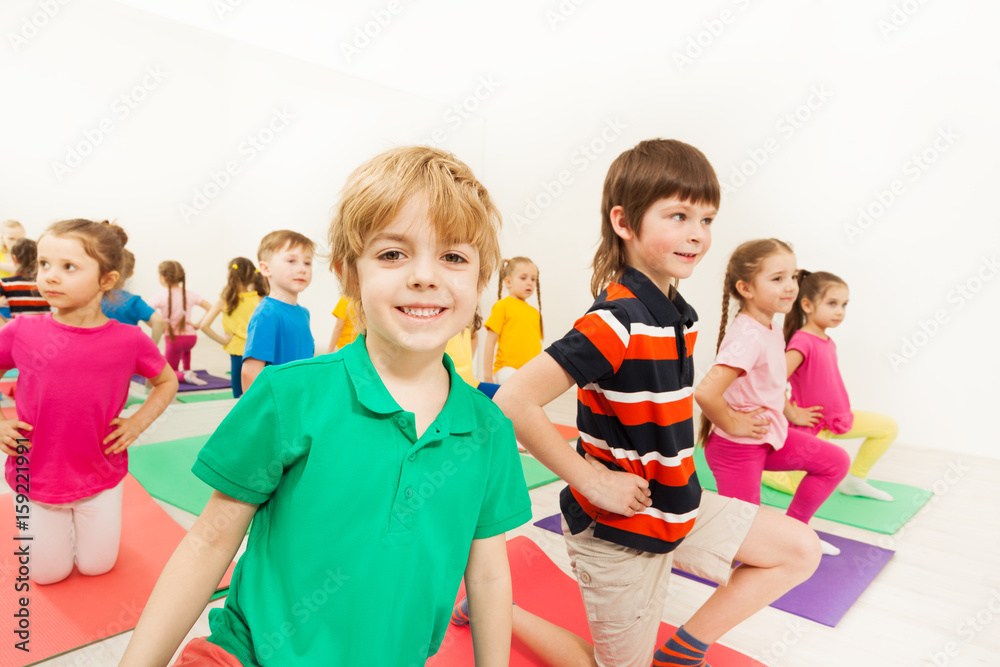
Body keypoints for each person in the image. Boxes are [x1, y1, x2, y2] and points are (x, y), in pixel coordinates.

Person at [121, 146, 531, 666]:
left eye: (453, 257)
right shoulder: (290, 395)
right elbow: (208, 542)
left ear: (479, 280)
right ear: (349, 274)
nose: (425, 276)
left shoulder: (488, 428)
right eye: (392, 253)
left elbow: (490, 573)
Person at [483, 140, 822, 667]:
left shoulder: (677, 316)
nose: (697, 234)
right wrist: (591, 480)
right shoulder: (615, 321)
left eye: (706, 219)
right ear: (624, 222)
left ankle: (683, 651)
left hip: (675, 507)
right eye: (679, 215)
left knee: (798, 550)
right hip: (617, 532)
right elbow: (512, 400)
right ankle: (493, 612)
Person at [0, 219, 176, 584]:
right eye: (44, 265)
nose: (49, 276)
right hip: (38, 475)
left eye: (68, 267)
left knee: (97, 567)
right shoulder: (22, 331)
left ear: (106, 280)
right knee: (47, 574)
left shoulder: (129, 340)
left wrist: (137, 422)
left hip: (100, 475)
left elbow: (166, 381)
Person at [696, 239, 850, 557]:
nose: (791, 286)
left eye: (793, 276)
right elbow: (706, 392)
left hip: (768, 437)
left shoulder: (770, 327)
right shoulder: (748, 336)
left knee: (834, 462)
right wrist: (732, 424)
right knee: (743, 538)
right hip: (737, 449)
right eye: (777, 278)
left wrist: (788, 413)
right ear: (746, 288)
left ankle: (796, 532)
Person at [761, 269, 898, 502]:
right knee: (799, 486)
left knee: (887, 428)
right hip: (813, 427)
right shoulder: (803, 341)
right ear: (807, 305)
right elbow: (772, 379)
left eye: (844, 305)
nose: (840, 311)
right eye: (832, 303)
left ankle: (855, 481)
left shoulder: (826, 340)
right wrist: (793, 414)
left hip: (837, 418)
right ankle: (762, 471)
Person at [240, 230, 315, 389]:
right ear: (266, 269)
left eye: (307, 263)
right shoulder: (267, 314)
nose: (302, 269)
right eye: (291, 261)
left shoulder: (304, 314)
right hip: (277, 403)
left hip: (299, 398)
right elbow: (250, 373)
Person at [198, 257, 268, 398]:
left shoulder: (225, 300)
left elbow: (203, 326)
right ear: (251, 276)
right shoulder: (262, 300)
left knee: (238, 395)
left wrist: (224, 341)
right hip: (258, 350)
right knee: (259, 392)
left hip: (236, 351)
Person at [482, 256, 543, 384]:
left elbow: (536, 347)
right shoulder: (502, 306)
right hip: (506, 370)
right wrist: (487, 376)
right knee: (517, 383)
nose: (529, 283)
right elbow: (490, 342)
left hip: (529, 372)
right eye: (523, 278)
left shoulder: (534, 313)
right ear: (508, 282)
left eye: (533, 279)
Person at [152, 260, 212, 386]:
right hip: (191, 338)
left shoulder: (160, 296)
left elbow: (146, 313)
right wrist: (199, 324)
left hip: (174, 340)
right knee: (184, 349)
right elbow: (210, 308)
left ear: (163, 277)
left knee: (168, 371)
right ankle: (187, 368)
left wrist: (162, 327)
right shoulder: (190, 294)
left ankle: (185, 376)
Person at [102, 249, 164, 345]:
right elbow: (158, 321)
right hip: (127, 352)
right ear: (131, 273)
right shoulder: (133, 301)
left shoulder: (93, 297)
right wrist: (152, 347)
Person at [0, 238, 51, 321]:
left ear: (15, 259)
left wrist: (5, 322)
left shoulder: (5, 283)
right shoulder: (46, 281)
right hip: (44, 329)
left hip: (18, 330)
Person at [0, 220, 26, 320]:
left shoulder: (26, 256)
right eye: (11, 238)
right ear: (2, 237)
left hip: (19, 304)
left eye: (20, 239)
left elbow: (21, 270)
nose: (16, 243)